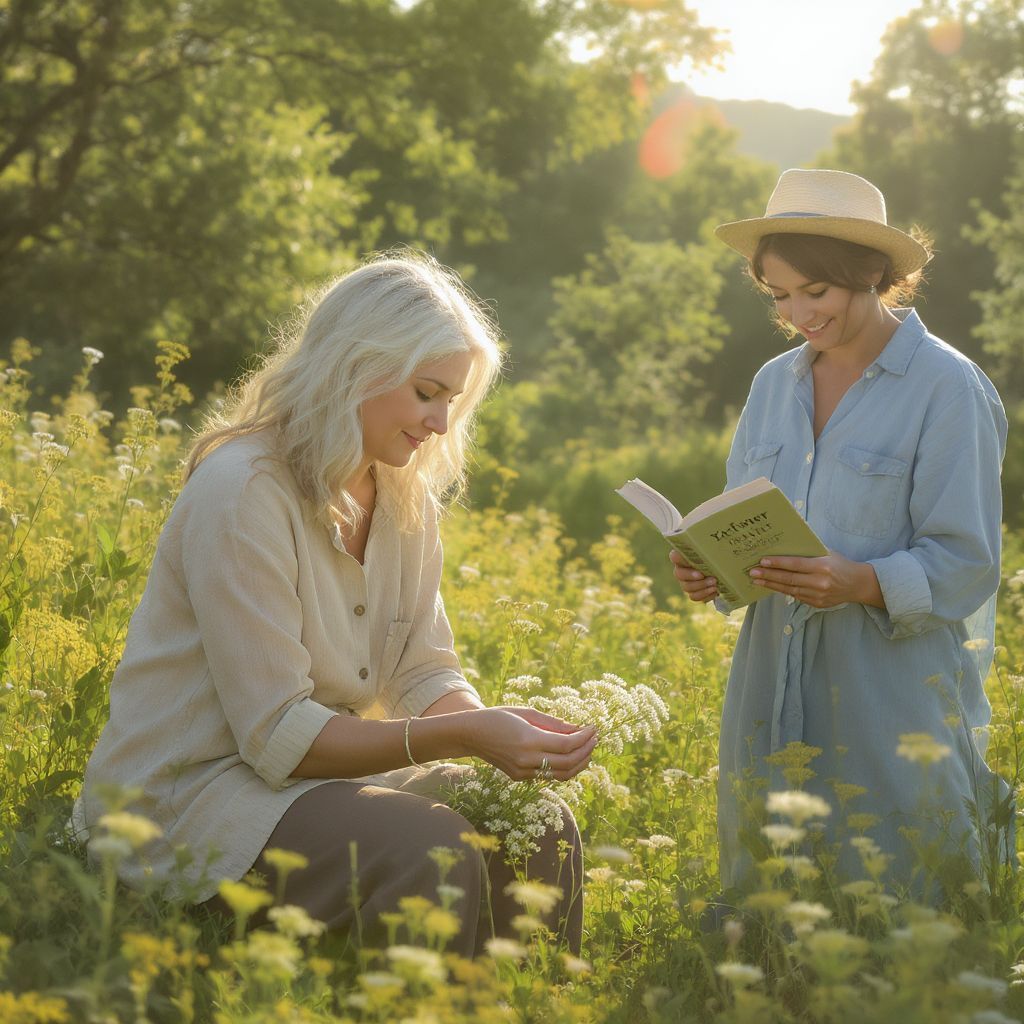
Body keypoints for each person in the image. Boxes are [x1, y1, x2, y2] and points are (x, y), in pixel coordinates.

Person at [74, 253, 595, 955]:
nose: (441, 423)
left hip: (322, 781)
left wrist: (498, 734)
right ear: (357, 367)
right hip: (192, 801)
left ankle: (528, 1005)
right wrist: (466, 740)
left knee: (540, 824)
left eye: (453, 401)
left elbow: (422, 674)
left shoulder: (403, 497)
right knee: (428, 843)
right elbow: (277, 738)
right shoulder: (243, 489)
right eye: (427, 393)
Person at [672, 168, 1010, 897]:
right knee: (767, 898)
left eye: (814, 292)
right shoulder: (772, 386)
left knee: (897, 895)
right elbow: (746, 519)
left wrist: (858, 581)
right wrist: (713, 572)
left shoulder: (949, 389)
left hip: (890, 693)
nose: (797, 313)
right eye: (779, 295)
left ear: (871, 272)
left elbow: (968, 562)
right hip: (769, 679)